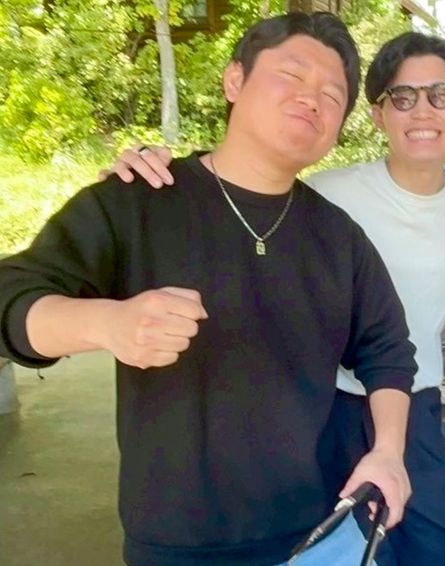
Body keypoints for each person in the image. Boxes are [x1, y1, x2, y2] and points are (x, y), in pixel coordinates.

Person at [0, 12, 418, 566]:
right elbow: (12, 297)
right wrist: (105, 324)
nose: (312, 98)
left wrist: (388, 452)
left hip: (316, 530)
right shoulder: (140, 199)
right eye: (291, 75)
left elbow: (388, 350)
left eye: (332, 95)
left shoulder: (338, 236)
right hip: (177, 539)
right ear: (234, 80)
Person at [103, 31, 445, 566]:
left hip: (410, 396)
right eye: (402, 97)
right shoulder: (330, 194)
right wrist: (147, 175)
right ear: (378, 115)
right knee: (335, 545)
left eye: (440, 94)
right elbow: (243, 187)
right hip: (324, 402)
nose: (422, 110)